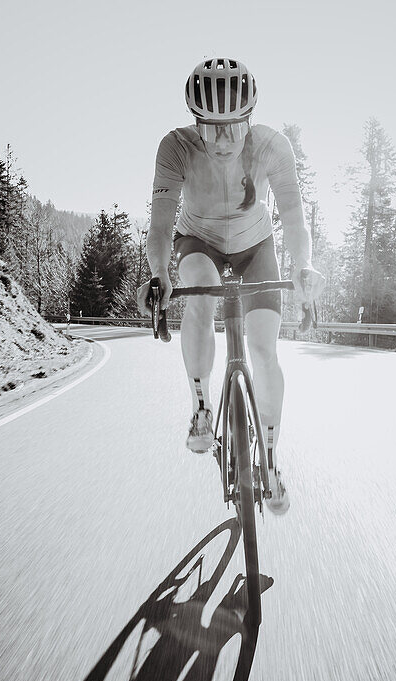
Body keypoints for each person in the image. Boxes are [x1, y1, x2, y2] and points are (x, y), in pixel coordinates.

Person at [137, 58, 324, 515]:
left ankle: (272, 461)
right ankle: (201, 407)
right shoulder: (175, 146)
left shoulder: (272, 147)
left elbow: (295, 217)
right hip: (197, 239)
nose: (221, 140)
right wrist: (160, 274)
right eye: (210, 126)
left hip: (255, 245)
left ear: (250, 118)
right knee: (198, 291)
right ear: (195, 121)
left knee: (264, 352)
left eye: (233, 126)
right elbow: (160, 225)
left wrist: (304, 267)